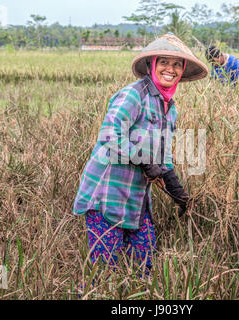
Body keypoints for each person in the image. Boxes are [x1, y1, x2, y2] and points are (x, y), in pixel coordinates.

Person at [73, 34, 208, 275]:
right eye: (164, 62)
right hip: (107, 195)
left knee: (144, 267)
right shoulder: (134, 95)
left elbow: (163, 157)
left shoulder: (170, 109)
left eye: (177, 64)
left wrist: (178, 192)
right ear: (151, 65)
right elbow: (110, 135)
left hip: (137, 199)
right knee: (104, 272)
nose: (171, 69)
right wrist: (144, 161)